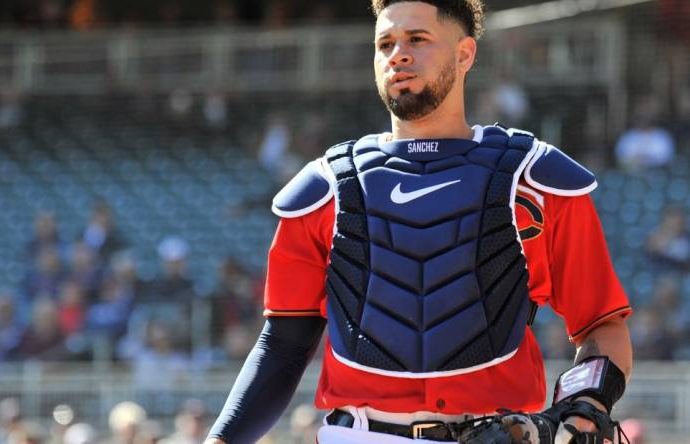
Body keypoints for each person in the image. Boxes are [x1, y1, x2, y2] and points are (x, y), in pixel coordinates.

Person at [204, 2, 633, 444]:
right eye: (385, 44)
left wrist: (585, 408)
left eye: (417, 40)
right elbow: (284, 347)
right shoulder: (327, 188)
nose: (398, 55)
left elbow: (603, 326)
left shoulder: (535, 179)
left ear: (465, 54)